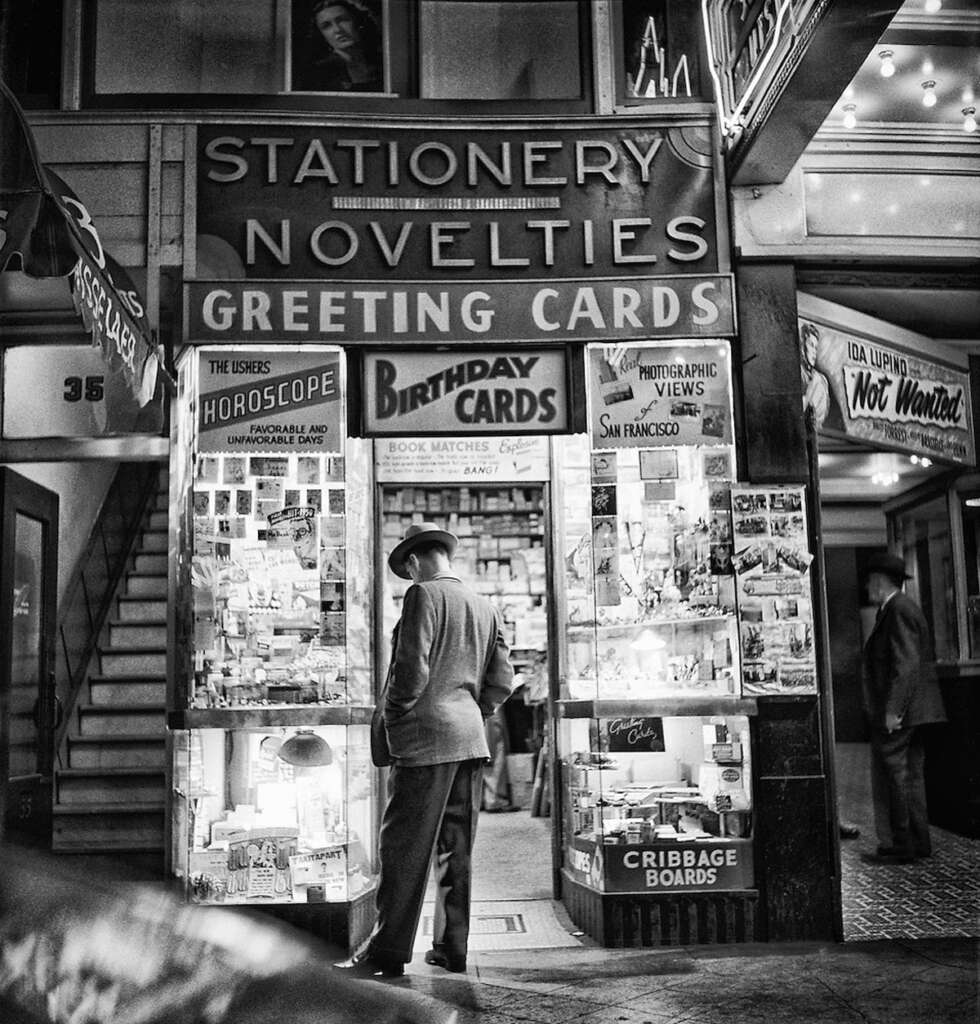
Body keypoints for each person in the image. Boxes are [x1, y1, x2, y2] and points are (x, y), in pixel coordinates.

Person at [336, 522, 514, 978]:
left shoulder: (423, 596)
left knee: (404, 850)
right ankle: (452, 948)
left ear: (414, 562)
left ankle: (388, 951)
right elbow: (502, 681)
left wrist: (395, 715)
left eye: (408, 569)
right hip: (470, 739)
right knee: (457, 849)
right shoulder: (484, 605)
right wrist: (473, 711)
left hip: (425, 740)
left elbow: (410, 669)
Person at [860, 552, 946, 865]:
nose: (868, 586)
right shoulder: (900, 607)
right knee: (910, 776)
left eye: (871, 580)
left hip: (902, 711)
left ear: (880, 582)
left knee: (894, 775)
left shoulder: (896, 609)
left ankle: (902, 844)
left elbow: (905, 665)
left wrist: (892, 710)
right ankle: (918, 841)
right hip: (916, 709)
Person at [298, 0, 383, 93]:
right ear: (321, 35)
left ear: (357, 22)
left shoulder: (383, 62)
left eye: (343, 20)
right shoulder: (317, 74)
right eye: (326, 26)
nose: (337, 29)